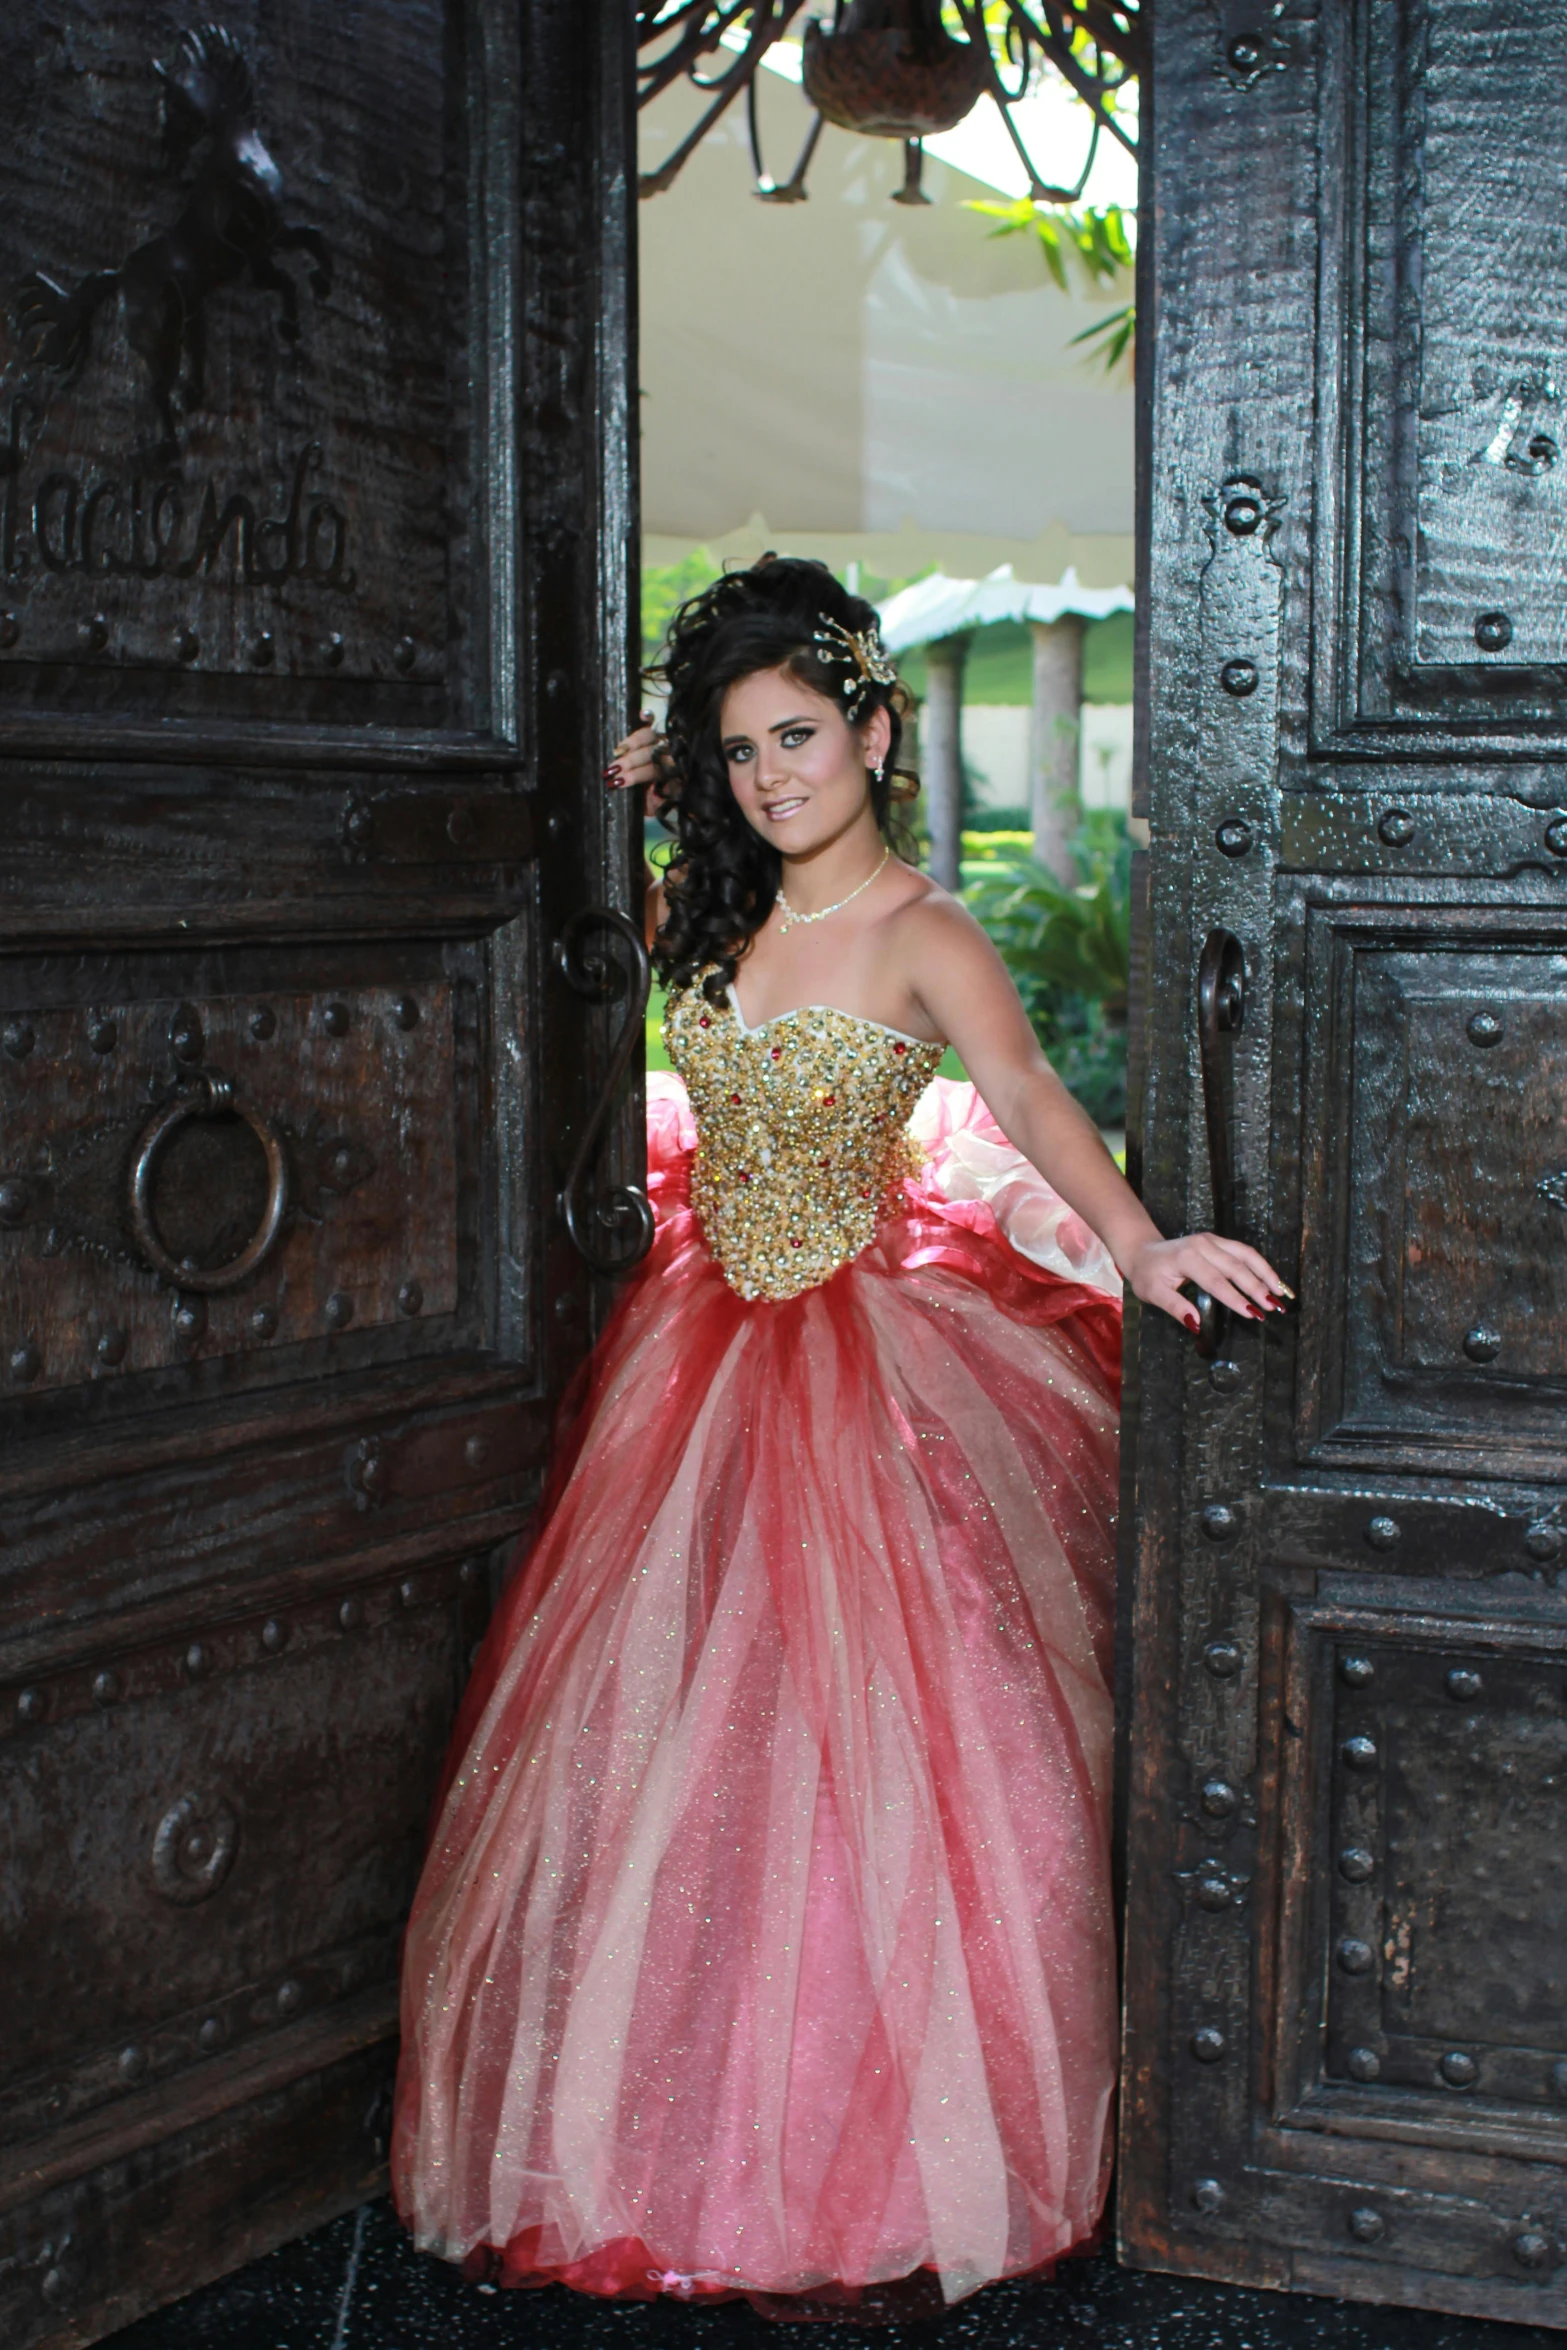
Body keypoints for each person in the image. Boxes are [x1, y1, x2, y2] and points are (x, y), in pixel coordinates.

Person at [392, 557, 1286, 2317]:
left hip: (864, 1368)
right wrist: (624, 782)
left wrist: (1142, 1244)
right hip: (692, 1357)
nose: (770, 776)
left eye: (797, 735)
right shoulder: (706, 917)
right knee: (656, 1746)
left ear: (877, 731)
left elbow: (1026, 1099)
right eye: (735, 750)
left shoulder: (921, 930)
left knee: (873, 1749)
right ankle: (634, 2141)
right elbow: (548, 919)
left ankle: (852, 2145)